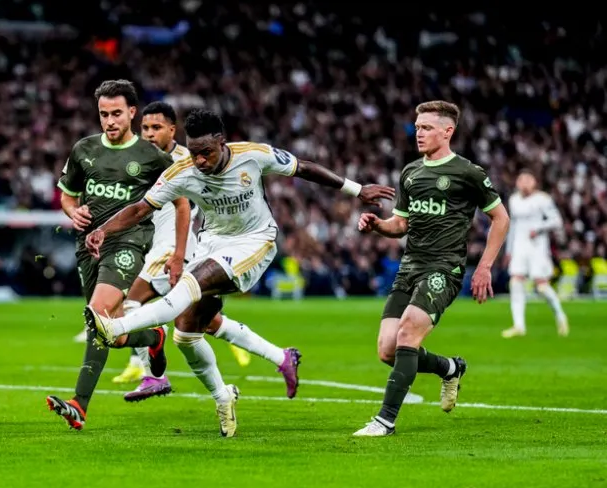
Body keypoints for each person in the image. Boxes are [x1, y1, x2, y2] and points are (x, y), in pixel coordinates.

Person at [84, 108, 394, 436]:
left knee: (187, 285)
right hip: (212, 244)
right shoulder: (183, 171)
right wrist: (103, 230)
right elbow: (140, 208)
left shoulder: (253, 155)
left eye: (206, 152)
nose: (200, 160)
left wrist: (357, 189)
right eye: (194, 153)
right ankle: (224, 397)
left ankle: (115, 326)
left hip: (254, 241)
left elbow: (303, 168)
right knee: (186, 334)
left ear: (222, 142)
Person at [114, 101, 302, 403]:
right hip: (186, 246)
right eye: (145, 128)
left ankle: (153, 374)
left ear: (172, 130)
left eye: (156, 127)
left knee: (135, 302)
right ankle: (279, 357)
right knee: (197, 324)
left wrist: (178, 255)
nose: (148, 133)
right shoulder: (143, 160)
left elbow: (181, 208)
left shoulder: (182, 160)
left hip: (180, 248)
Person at [351, 100, 510, 437]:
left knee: (408, 332)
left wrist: (484, 267)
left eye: (426, 128)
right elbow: (400, 225)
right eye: (417, 127)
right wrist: (377, 225)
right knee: (387, 350)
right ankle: (450, 368)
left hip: (444, 269)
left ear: (447, 131)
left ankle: (384, 421)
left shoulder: (468, 173)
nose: (418, 133)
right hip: (409, 267)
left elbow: (500, 218)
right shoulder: (411, 172)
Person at [45, 80, 187, 431]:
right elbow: (67, 194)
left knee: (97, 314)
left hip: (129, 243)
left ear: (132, 113)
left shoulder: (152, 156)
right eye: (104, 114)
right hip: (88, 246)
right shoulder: (84, 149)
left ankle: (79, 403)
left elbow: (182, 203)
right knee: (112, 332)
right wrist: (73, 211)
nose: (109, 121)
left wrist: (179, 255)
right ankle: (153, 338)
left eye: (117, 114)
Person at [502, 170, 568, 338]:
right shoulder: (514, 200)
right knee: (515, 282)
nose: (524, 183)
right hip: (519, 246)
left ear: (534, 182)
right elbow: (513, 226)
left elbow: (557, 220)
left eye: (528, 180)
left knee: (541, 286)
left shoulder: (543, 199)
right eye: (521, 180)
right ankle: (519, 326)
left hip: (537, 247)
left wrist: (538, 228)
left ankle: (560, 315)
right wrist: (509, 250)